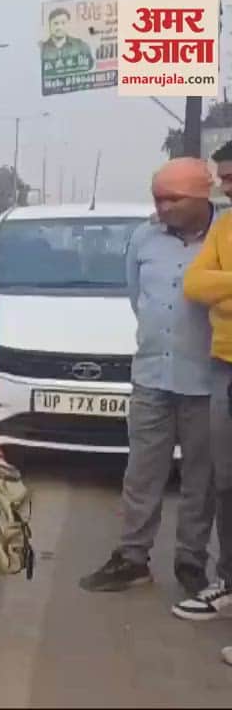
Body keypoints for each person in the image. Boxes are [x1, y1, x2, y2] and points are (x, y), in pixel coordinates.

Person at [80, 157, 216, 597]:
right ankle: (132, 558)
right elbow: (138, 299)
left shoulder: (225, 235)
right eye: (157, 198)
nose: (161, 207)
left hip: (209, 379)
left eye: (172, 199)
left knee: (201, 477)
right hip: (153, 376)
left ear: (201, 198)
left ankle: (192, 561)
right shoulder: (144, 237)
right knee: (141, 474)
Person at [179, 143, 232, 627]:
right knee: (226, 481)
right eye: (223, 178)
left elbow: (209, 285)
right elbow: (194, 287)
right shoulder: (225, 227)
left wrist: (223, 285)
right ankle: (228, 582)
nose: (227, 186)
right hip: (224, 364)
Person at [41, 7, 95, 77]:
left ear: (68, 24)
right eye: (55, 23)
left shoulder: (81, 46)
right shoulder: (42, 49)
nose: (59, 27)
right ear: (49, 25)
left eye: (63, 23)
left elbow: (90, 67)